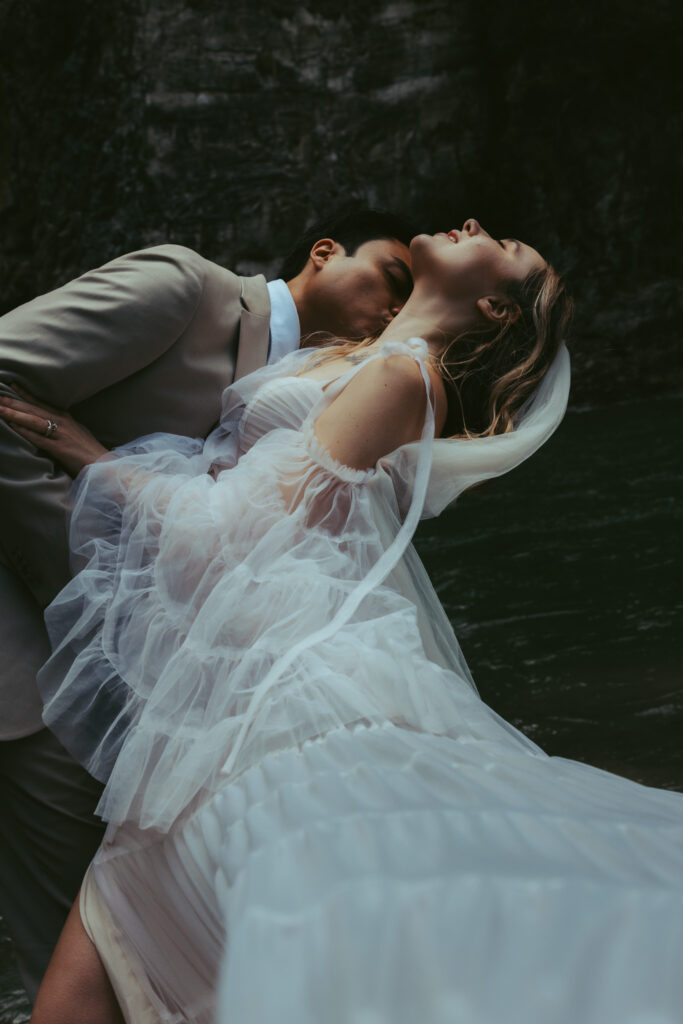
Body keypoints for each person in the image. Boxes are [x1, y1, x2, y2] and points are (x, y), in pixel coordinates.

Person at [2, 218, 682, 1024]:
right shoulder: (346, 359)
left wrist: (79, 447)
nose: (473, 224)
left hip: (277, 698)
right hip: (223, 684)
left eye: (501, 245)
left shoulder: (402, 377)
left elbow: (227, 534)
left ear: (497, 308)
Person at [0, 207, 413, 1001]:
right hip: (36, 669)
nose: (396, 312)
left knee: (148, 959)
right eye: (391, 278)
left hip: (168, 709)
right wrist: (96, 581)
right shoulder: (184, 289)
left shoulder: (326, 391)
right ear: (323, 253)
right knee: (82, 964)